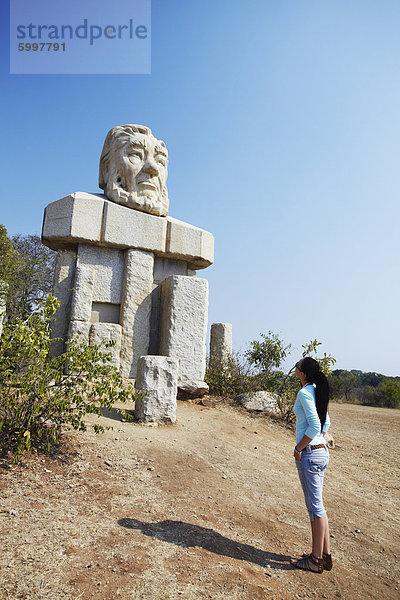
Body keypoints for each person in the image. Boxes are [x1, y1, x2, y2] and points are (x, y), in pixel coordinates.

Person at [290, 357, 332, 573]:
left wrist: (300, 447)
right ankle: (324, 554)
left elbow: (316, 424)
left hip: (310, 454)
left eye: (297, 367)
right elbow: (326, 423)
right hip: (321, 452)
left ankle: (315, 561)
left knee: (315, 508)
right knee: (318, 506)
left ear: (303, 373)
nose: (294, 369)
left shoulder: (305, 393)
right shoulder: (317, 391)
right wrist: (318, 442)